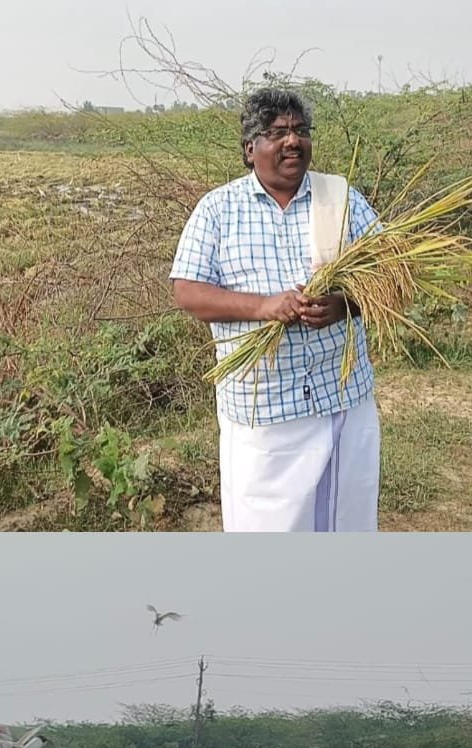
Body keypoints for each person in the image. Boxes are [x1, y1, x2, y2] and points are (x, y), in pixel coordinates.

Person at [170, 88, 381, 533]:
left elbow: (390, 276)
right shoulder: (218, 210)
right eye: (278, 132)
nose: (293, 141)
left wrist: (343, 306)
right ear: (250, 149)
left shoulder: (340, 200)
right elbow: (187, 291)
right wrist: (265, 307)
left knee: (345, 522)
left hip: (342, 401)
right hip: (264, 410)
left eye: (301, 131)